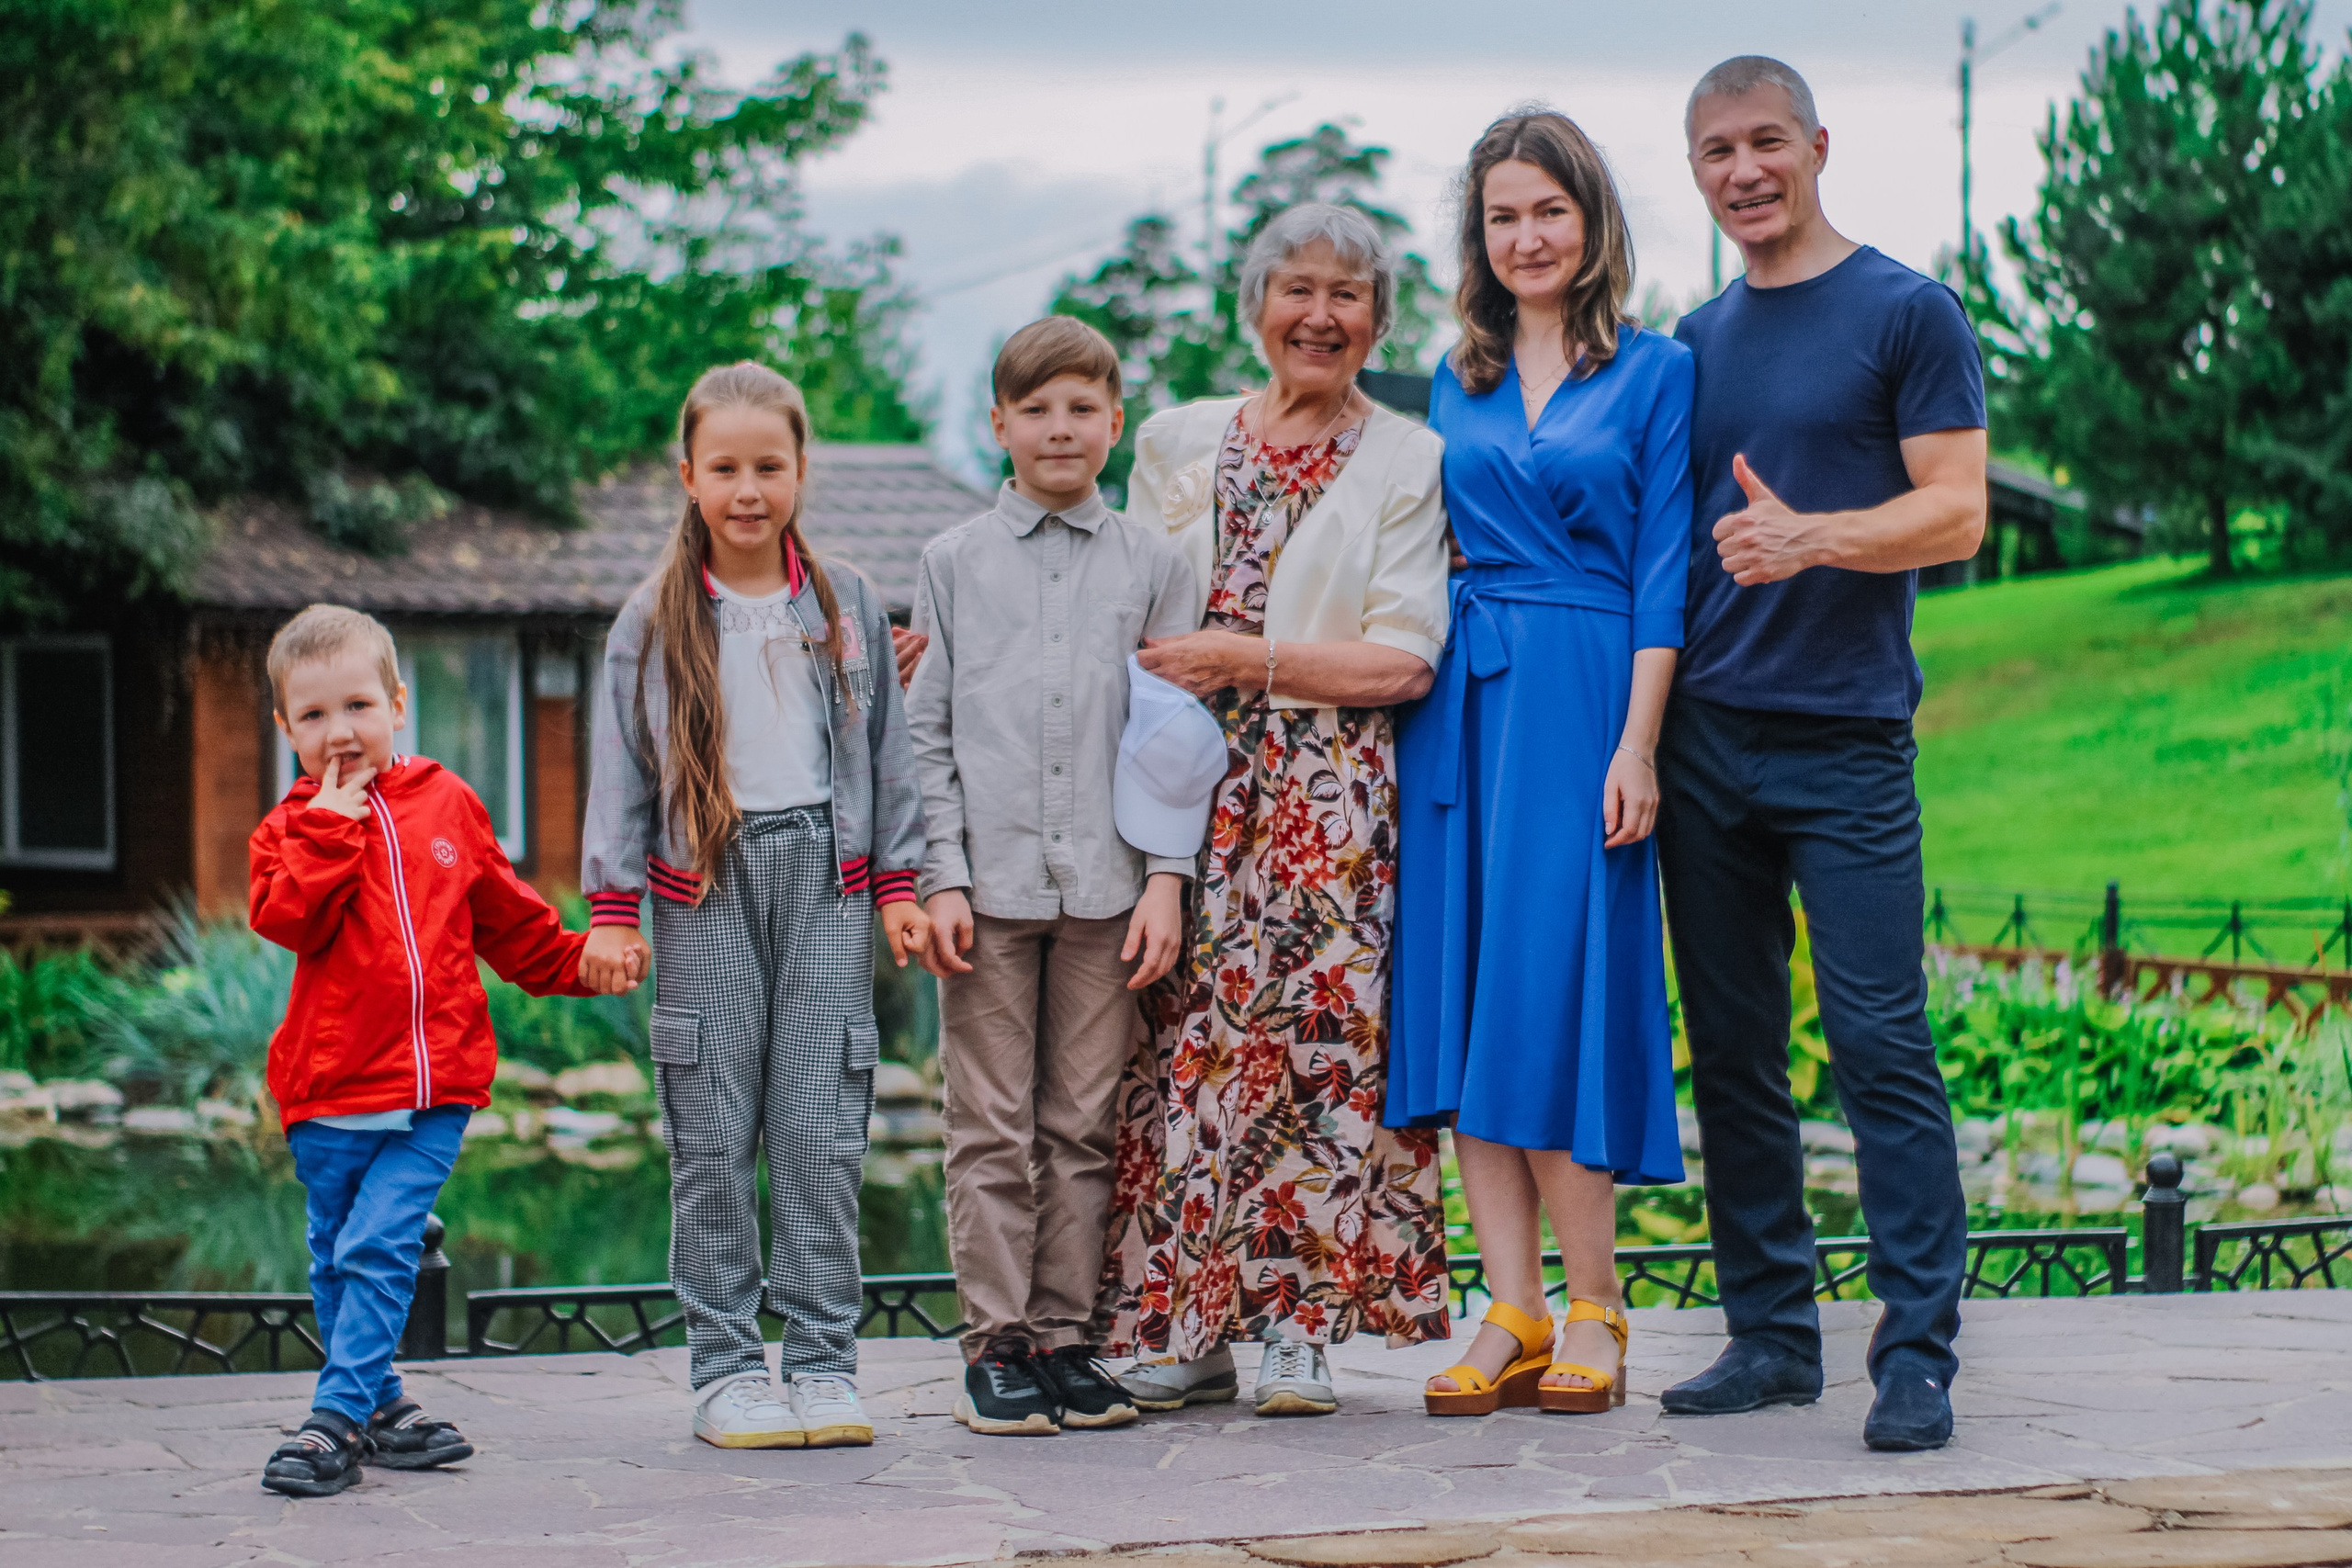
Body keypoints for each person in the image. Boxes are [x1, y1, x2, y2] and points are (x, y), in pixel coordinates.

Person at [1660, 57, 1988, 1452]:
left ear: (1818, 145)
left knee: (1877, 1043)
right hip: (1705, 745)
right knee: (1730, 1052)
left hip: (1848, 740)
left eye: (1767, 143)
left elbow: (1959, 512)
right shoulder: (1690, 338)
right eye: (1718, 150)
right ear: (1697, 170)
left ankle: (1915, 1353)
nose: (1745, 170)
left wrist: (1814, 535)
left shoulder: (1909, 311)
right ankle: (1771, 1335)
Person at [1101, 201, 1454, 1418]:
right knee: (1180, 1053)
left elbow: (1404, 658)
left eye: (1347, 295)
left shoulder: (1408, 456)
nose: (1320, 314)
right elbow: (1116, 594)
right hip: (1181, 794)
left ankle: (1302, 1327)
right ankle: (1186, 1326)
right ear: (1255, 308)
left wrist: (1237, 656)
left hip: (1326, 806)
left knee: (1315, 1056)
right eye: (1297, 289)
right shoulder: (1180, 441)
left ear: (1377, 320)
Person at [1389, 110, 1693, 1418]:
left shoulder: (1657, 370)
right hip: (1459, 707)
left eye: (1549, 211)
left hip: (1583, 707)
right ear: (1480, 235)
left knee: (1555, 994)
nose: (1527, 236)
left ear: (1592, 223)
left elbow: (1664, 571)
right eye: (1504, 215)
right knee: (1467, 1001)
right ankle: (1506, 1303)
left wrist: (1639, 745)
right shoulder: (1446, 379)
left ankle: (1596, 1300)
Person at [579, 362, 932, 1452]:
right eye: (723, 467)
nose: (747, 488)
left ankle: (824, 1363)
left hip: (827, 879)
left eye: (767, 467)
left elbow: (888, 754)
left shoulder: (847, 603)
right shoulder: (652, 618)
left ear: (800, 472)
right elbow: (620, 769)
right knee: (714, 1128)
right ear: (688, 476)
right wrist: (612, 910)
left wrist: (902, 887)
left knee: (821, 1128)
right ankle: (728, 1367)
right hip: (705, 886)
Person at [249, 604, 630, 1497]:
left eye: (357, 706)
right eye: (313, 716)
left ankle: (333, 1420)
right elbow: (287, 918)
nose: (339, 732)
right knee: (339, 1255)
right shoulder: (288, 829)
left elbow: (512, 926)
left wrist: (587, 961)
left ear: (397, 703)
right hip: (327, 1089)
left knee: (381, 1247)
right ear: (285, 728)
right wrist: (332, 825)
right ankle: (382, 1405)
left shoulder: (447, 801)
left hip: (433, 1089)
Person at [906, 317, 1197, 1437]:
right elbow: (924, 736)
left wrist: (1166, 877)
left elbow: (1172, 743)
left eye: (1082, 408)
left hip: (1110, 893)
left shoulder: (1152, 567)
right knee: (988, 1125)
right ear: (1000, 425)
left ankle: (1070, 1338)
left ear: (1114, 423)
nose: (1060, 428)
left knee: (1081, 1125)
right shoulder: (951, 563)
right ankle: (996, 1344)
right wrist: (940, 876)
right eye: (1036, 409)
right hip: (986, 890)